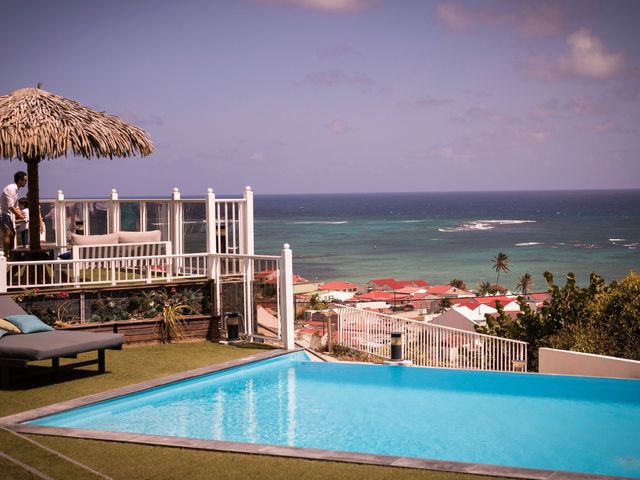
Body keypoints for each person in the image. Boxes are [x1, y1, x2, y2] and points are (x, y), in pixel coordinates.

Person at [0, 171, 27, 255]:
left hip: (6, 213)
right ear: (20, 180)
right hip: (1, 212)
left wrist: (22, 216)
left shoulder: (16, 190)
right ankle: (6, 255)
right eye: (25, 180)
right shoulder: (11, 189)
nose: (26, 182)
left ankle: (11, 253)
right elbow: (11, 207)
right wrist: (20, 216)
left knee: (13, 233)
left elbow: (16, 207)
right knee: (7, 232)